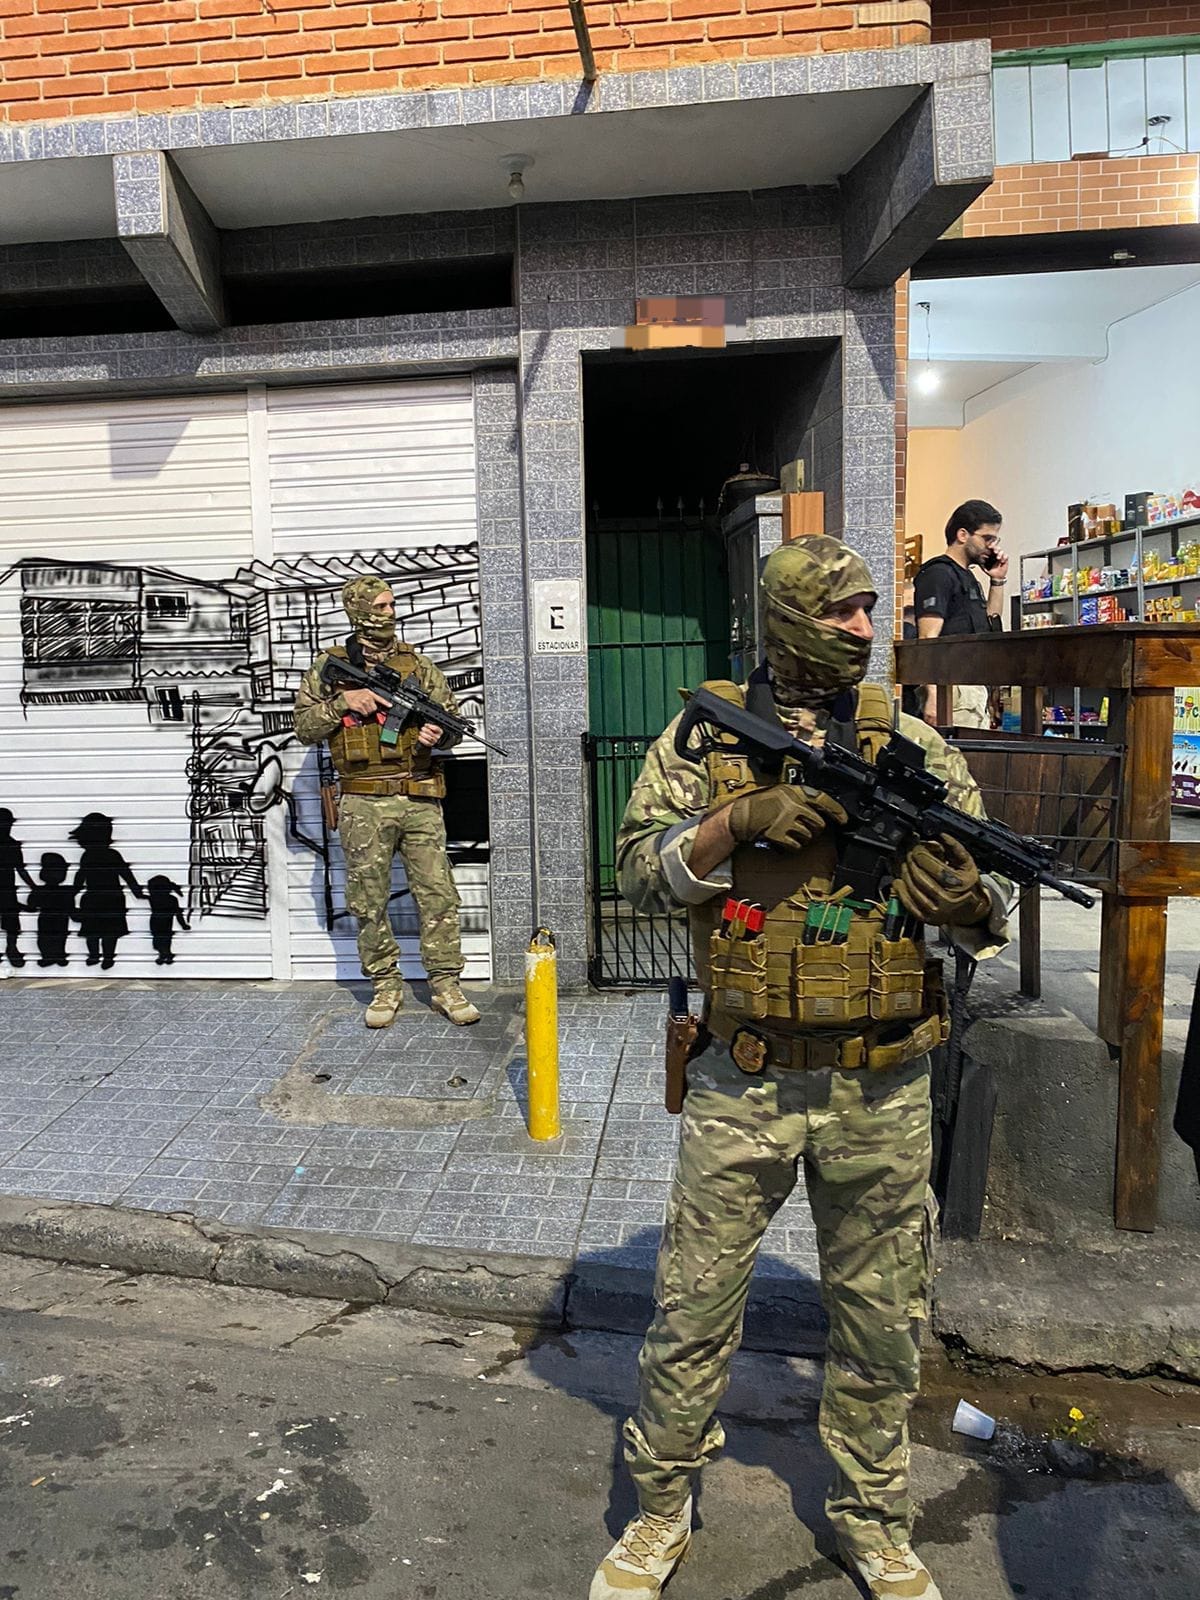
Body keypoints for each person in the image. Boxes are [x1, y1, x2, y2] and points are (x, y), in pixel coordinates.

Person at [592, 536, 1010, 1600]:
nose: (866, 628)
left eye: (871, 609)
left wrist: (966, 900)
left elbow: (990, 894)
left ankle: (876, 1523)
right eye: (842, 611)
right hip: (746, 1078)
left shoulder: (912, 743)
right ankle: (658, 1510)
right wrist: (734, 821)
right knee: (693, 1308)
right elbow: (636, 871)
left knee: (882, 1321)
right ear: (786, 618)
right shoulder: (706, 739)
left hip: (883, 1083)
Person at [294, 575, 480, 1028]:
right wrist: (344, 703)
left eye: (392, 604)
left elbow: (452, 723)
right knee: (368, 898)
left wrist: (440, 735)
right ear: (358, 610)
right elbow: (304, 727)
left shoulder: (419, 666)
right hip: (362, 801)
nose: (390, 613)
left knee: (438, 894)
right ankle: (385, 985)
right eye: (381, 606)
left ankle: (446, 985)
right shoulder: (330, 666)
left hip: (418, 795)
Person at [913, 499, 1008, 729]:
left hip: (972, 686)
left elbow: (989, 624)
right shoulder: (939, 574)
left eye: (995, 540)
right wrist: (933, 695)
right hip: (950, 689)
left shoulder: (967, 577)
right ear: (963, 535)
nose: (991, 546)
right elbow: (927, 638)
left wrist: (997, 580)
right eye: (987, 538)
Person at [70, 813, 144, 970]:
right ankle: (103, 956)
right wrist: (137, 892)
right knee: (105, 932)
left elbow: (81, 876)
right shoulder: (108, 855)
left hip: (99, 898)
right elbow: (126, 874)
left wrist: (72, 892)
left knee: (97, 932)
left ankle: (99, 956)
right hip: (109, 898)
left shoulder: (92, 856)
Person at [0, 807, 35, 969]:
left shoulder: (12, 845)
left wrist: (33, 886)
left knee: (12, 922)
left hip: (8, 889)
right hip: (7, 889)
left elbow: (20, 869)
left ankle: (12, 948)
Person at [27, 851, 75, 968]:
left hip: (48, 919)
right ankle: (55, 956)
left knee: (49, 938)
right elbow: (71, 909)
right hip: (58, 919)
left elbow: (31, 905)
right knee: (55, 938)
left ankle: (51, 956)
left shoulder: (41, 891)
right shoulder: (65, 892)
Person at [147, 876, 189, 966]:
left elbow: (178, 913)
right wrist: (183, 925)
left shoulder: (154, 898)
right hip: (162, 922)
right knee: (162, 940)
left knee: (162, 940)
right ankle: (164, 954)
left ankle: (165, 954)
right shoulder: (170, 899)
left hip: (158, 922)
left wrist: (183, 924)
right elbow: (178, 913)